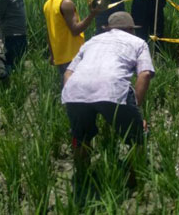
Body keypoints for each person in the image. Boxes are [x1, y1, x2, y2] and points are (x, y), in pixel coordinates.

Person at [62, 11, 154, 193]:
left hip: (74, 89)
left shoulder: (91, 42)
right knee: (137, 136)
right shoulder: (138, 42)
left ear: (108, 28)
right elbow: (144, 73)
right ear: (130, 29)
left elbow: (68, 72)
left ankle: (82, 176)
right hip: (112, 88)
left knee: (80, 138)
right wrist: (135, 111)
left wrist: (75, 95)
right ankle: (135, 181)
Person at [43, 0, 100, 84]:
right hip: (72, 55)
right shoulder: (66, 3)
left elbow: (48, 33)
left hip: (60, 55)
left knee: (67, 90)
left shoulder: (48, 3)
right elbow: (75, 30)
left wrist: (53, 55)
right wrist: (92, 14)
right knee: (76, 91)